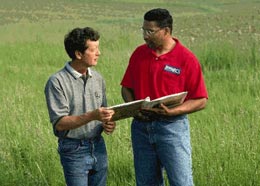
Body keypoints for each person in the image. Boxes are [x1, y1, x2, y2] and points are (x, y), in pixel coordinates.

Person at [121, 8, 208, 186]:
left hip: (172, 128)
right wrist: (133, 107)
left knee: (181, 182)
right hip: (141, 129)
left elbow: (200, 99)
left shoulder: (186, 59)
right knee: (146, 183)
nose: (145, 36)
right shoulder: (139, 54)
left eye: (150, 31)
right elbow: (126, 88)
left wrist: (174, 111)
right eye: (143, 30)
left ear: (166, 31)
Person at [44, 27, 116, 186]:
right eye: (93, 49)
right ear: (78, 54)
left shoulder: (98, 79)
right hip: (74, 150)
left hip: (98, 146)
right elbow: (60, 123)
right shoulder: (57, 82)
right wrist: (92, 116)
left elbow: (102, 112)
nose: (99, 53)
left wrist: (108, 123)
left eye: (98, 48)